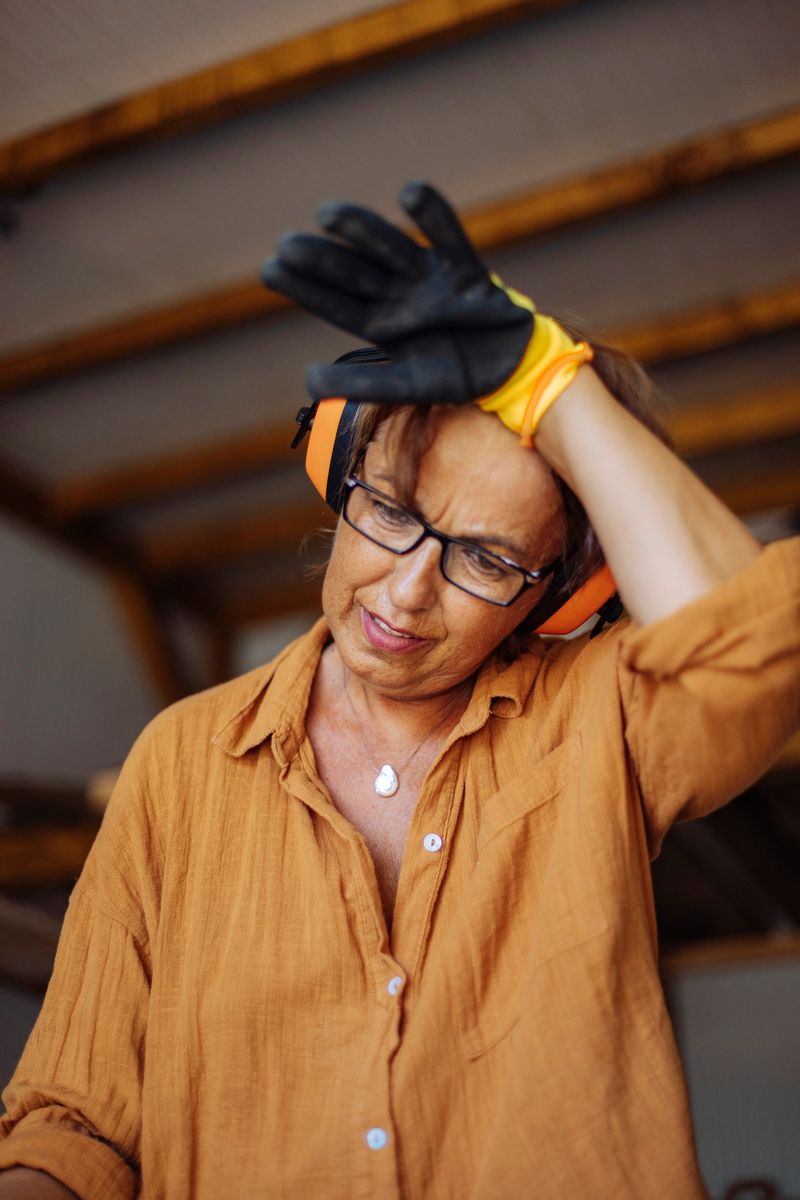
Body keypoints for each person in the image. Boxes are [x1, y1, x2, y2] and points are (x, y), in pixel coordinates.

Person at [0, 183, 797, 1200]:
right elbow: (71, 1127)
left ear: (555, 599)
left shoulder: (600, 720)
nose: (407, 589)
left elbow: (756, 649)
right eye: (391, 510)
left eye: (484, 559)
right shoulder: (178, 763)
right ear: (340, 479)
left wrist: (550, 388)